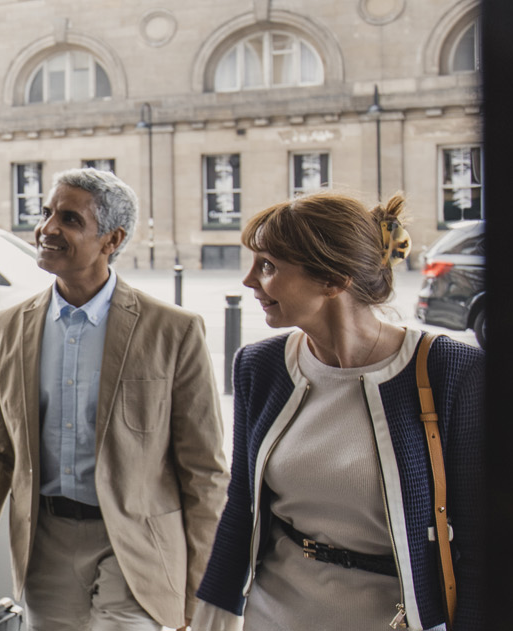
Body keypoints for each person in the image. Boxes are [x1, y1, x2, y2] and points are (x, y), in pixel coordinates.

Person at [0, 168, 229, 631]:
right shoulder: (9, 328)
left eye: (69, 219)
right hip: (45, 545)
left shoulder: (173, 331)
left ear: (111, 240)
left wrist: (205, 585)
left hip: (139, 546)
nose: (47, 229)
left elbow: (204, 471)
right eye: (47, 213)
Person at [194, 192, 484, 631]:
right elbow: (242, 507)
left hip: (395, 618)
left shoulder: (451, 371)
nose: (249, 281)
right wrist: (211, 619)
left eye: (268, 266)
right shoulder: (260, 365)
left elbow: (484, 540)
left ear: (332, 280)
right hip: (274, 615)